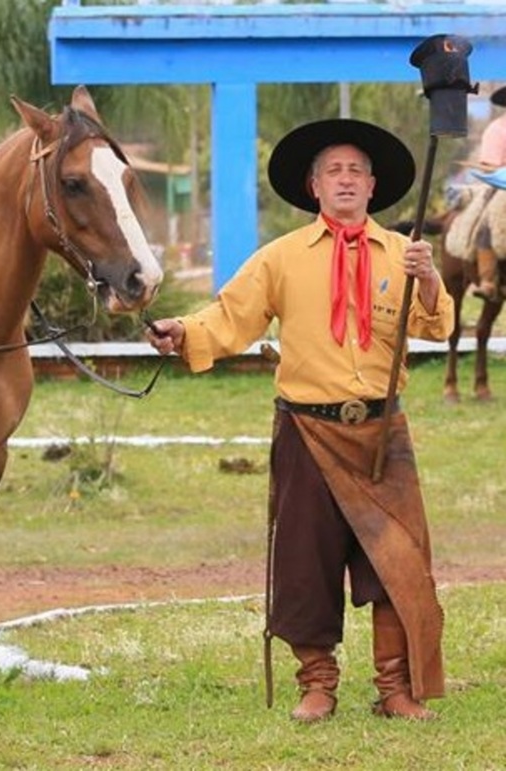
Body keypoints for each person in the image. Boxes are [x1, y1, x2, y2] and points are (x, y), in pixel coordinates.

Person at [147, 119, 453, 723]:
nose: (345, 179)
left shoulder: (404, 253)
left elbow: (437, 326)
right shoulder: (280, 258)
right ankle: (317, 685)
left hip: (382, 432)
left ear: (373, 186)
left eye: (356, 170)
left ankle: (395, 688)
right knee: (304, 566)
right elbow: (229, 318)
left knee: (400, 562)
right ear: (314, 188)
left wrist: (431, 277)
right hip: (307, 433)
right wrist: (184, 332)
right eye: (333, 171)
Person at [471, 85, 506, 300]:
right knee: (488, 223)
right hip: (503, 186)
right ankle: (488, 280)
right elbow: (488, 166)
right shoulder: (497, 129)